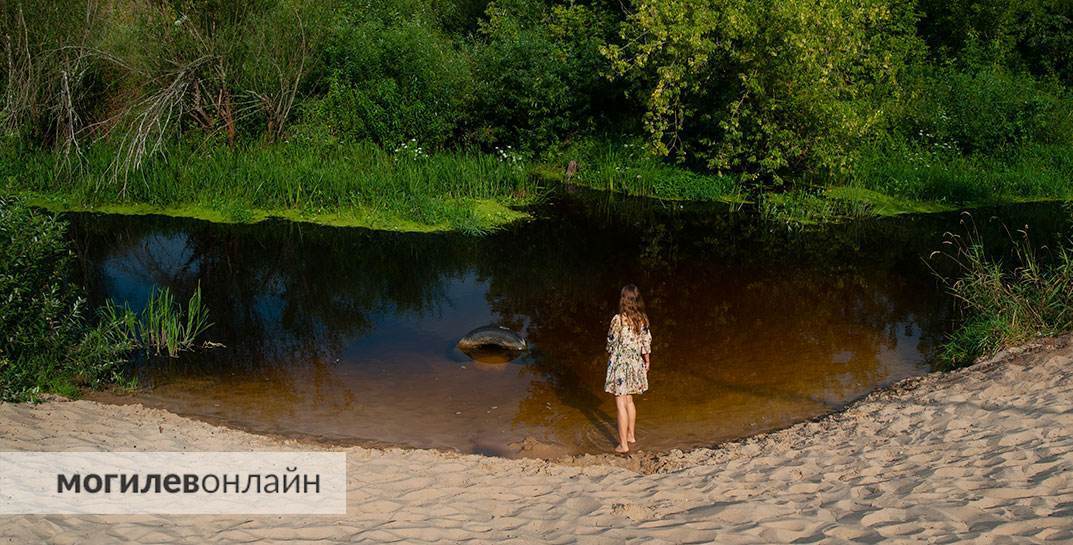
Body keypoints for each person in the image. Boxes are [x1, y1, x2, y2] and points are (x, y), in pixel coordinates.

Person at [604, 284, 652, 454]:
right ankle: (631, 435)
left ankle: (623, 445)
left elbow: (610, 343)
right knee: (629, 401)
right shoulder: (643, 319)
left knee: (620, 404)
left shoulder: (618, 320)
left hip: (620, 364)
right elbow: (646, 344)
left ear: (623, 300)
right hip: (635, 363)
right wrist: (647, 361)